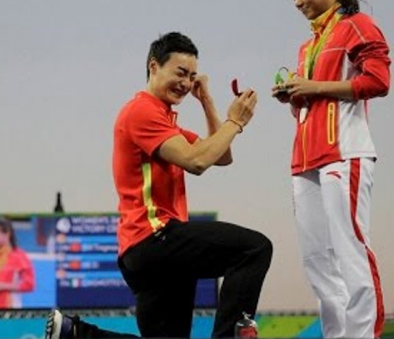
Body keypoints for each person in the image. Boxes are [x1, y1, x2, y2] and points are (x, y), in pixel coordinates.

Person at [45, 31, 273, 339]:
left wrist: (206, 100)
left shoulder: (167, 122)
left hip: (145, 253)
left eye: (192, 77)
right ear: (154, 67)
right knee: (254, 249)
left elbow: (222, 155)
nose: (186, 83)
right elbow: (197, 161)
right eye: (180, 73)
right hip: (155, 237)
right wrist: (235, 122)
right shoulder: (143, 111)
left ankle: (74, 333)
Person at [271, 0, 390, 338]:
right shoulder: (307, 47)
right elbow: (313, 103)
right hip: (304, 160)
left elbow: (378, 80)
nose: (296, 2)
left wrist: (315, 88)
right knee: (317, 261)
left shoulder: (358, 26)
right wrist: (294, 96)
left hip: (345, 153)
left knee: (351, 252)